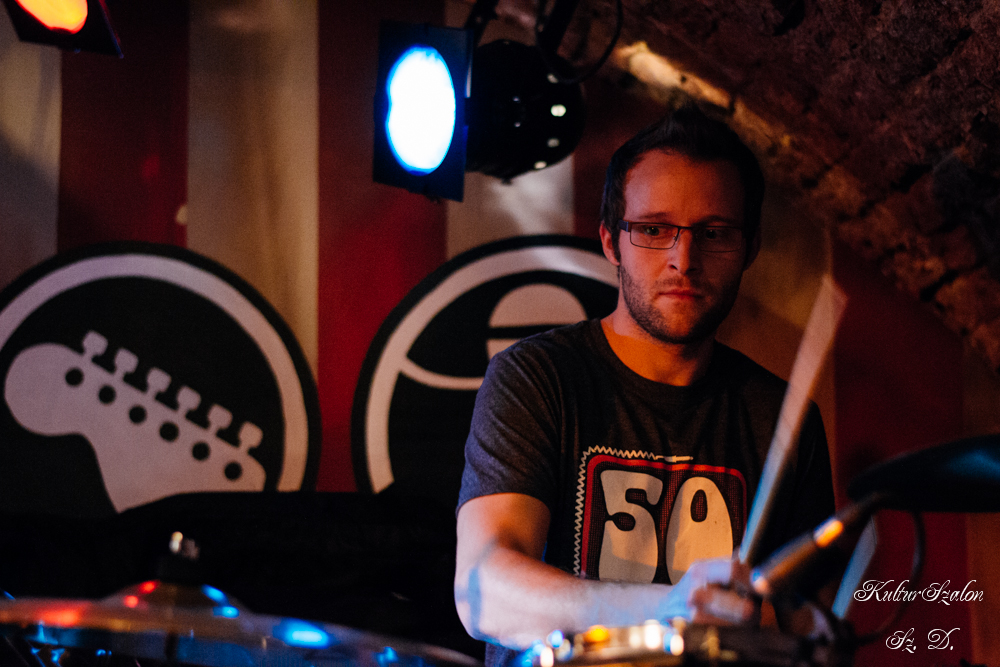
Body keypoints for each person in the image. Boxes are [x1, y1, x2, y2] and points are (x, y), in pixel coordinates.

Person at [453, 103, 835, 666]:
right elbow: (483, 594)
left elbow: (813, 630)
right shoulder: (537, 378)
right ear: (612, 242)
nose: (685, 258)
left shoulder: (781, 414)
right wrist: (666, 608)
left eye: (714, 233)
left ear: (748, 249)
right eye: (655, 229)